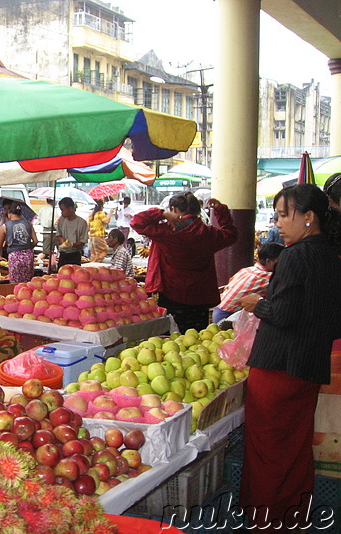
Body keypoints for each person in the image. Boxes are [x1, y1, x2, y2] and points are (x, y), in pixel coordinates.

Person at [238, 184, 341, 530]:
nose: (278, 223)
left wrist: (257, 304)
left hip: (278, 367)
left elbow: (283, 314)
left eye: (285, 215)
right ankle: (293, 516)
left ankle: (264, 520)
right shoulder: (330, 252)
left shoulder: (295, 255)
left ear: (308, 217)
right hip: (309, 365)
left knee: (266, 449)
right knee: (295, 448)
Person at [131, 192, 237, 332]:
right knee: (199, 338)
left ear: (173, 209)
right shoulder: (209, 234)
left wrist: (161, 214)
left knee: (173, 338)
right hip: (200, 296)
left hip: (172, 294)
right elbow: (231, 234)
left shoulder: (166, 232)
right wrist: (221, 211)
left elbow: (136, 222)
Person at [211, 242, 284, 323]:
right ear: (269, 262)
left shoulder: (246, 270)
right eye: (281, 261)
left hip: (217, 310)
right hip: (229, 316)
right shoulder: (268, 277)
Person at [0, 202, 37, 283]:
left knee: (15, 282)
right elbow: (35, 241)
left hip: (14, 256)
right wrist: (27, 248)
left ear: (9, 213)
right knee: (27, 282)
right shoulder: (28, 223)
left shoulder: (5, 226)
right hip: (28, 255)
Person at [55, 197, 88, 267]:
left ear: (70, 209)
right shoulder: (61, 220)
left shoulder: (82, 223)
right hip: (63, 254)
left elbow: (83, 241)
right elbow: (58, 235)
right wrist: (61, 240)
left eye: (63, 210)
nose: (61, 212)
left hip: (75, 254)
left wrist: (71, 245)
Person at [36, 198, 59, 263]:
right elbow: (55, 223)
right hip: (51, 231)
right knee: (46, 251)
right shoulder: (53, 210)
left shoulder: (42, 209)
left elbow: (39, 220)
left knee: (49, 250)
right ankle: (37, 260)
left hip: (45, 230)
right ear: (53, 201)